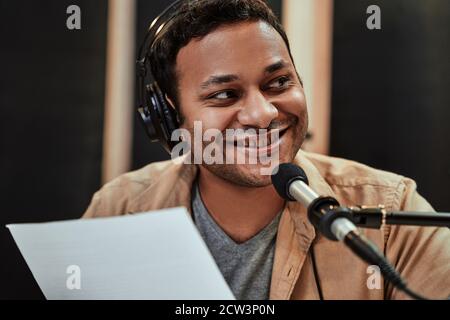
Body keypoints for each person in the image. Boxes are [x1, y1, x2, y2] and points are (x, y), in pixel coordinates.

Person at [83, 0, 450, 300]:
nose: (263, 114)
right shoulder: (119, 210)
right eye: (224, 94)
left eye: (278, 83)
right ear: (169, 119)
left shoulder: (395, 215)